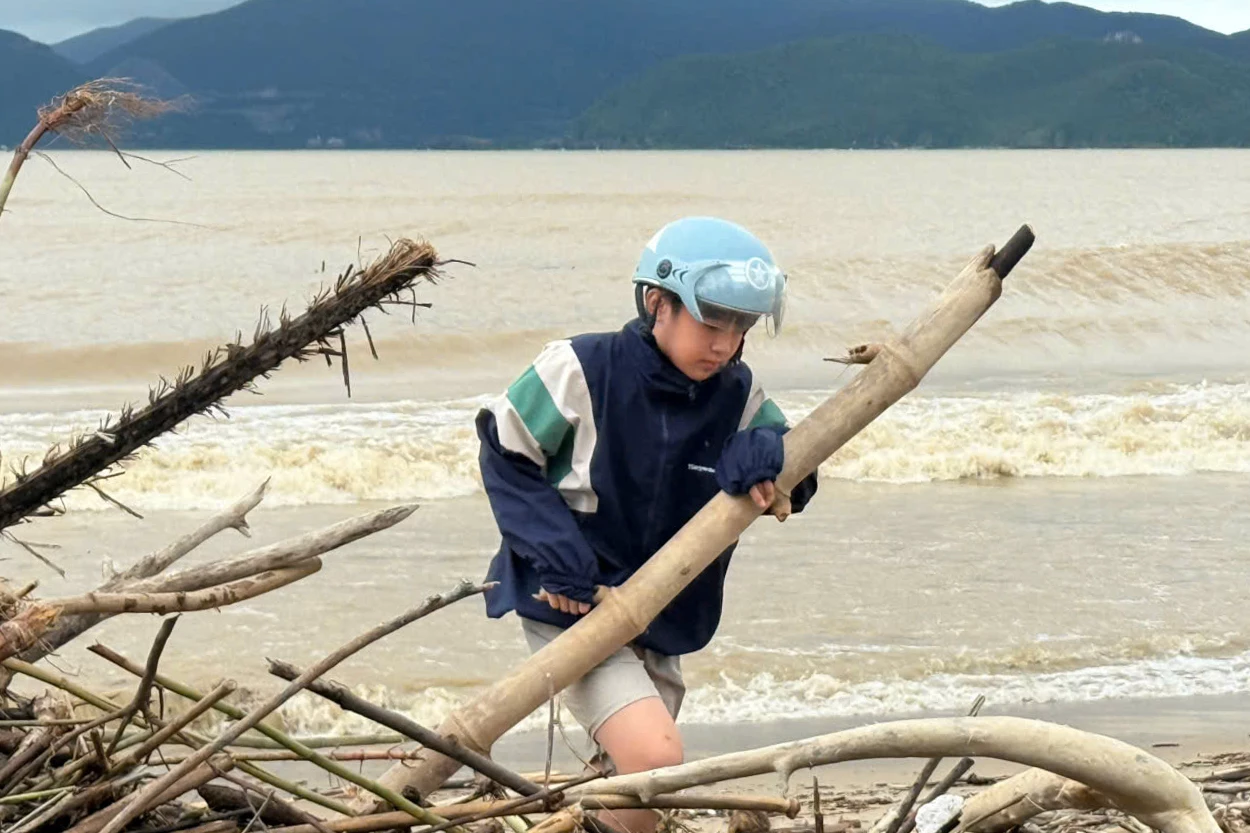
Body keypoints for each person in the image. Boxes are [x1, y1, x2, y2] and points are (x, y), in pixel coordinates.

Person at [476, 216, 819, 833]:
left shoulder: (738, 391)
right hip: (571, 601)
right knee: (655, 760)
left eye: (741, 328)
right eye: (712, 322)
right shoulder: (579, 367)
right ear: (656, 301)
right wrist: (555, 552)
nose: (725, 344)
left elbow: (797, 470)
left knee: (636, 802)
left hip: (664, 610)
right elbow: (504, 452)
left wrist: (771, 454)